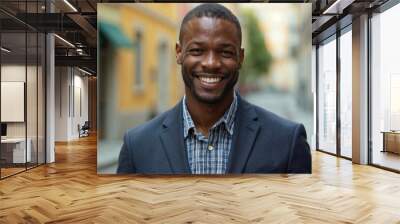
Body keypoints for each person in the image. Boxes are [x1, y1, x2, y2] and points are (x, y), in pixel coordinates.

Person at [117, 3, 311, 174]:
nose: (211, 63)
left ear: (240, 58)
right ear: (179, 53)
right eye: (197, 51)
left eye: (225, 52)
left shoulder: (288, 141)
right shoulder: (137, 145)